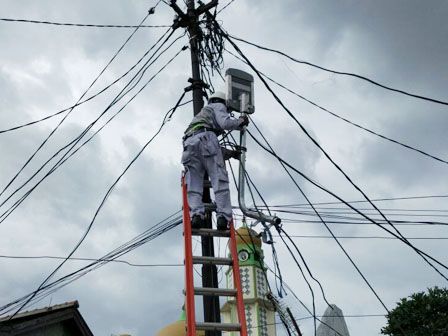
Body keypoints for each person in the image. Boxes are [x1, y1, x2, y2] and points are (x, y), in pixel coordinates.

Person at [181, 91, 249, 230]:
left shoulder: (201, 116)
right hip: (205, 138)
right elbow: (224, 124)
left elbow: (207, 146)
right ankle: (223, 217)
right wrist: (241, 121)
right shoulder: (218, 105)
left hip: (189, 144)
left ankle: (197, 216)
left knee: (193, 184)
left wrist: (229, 153)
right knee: (219, 179)